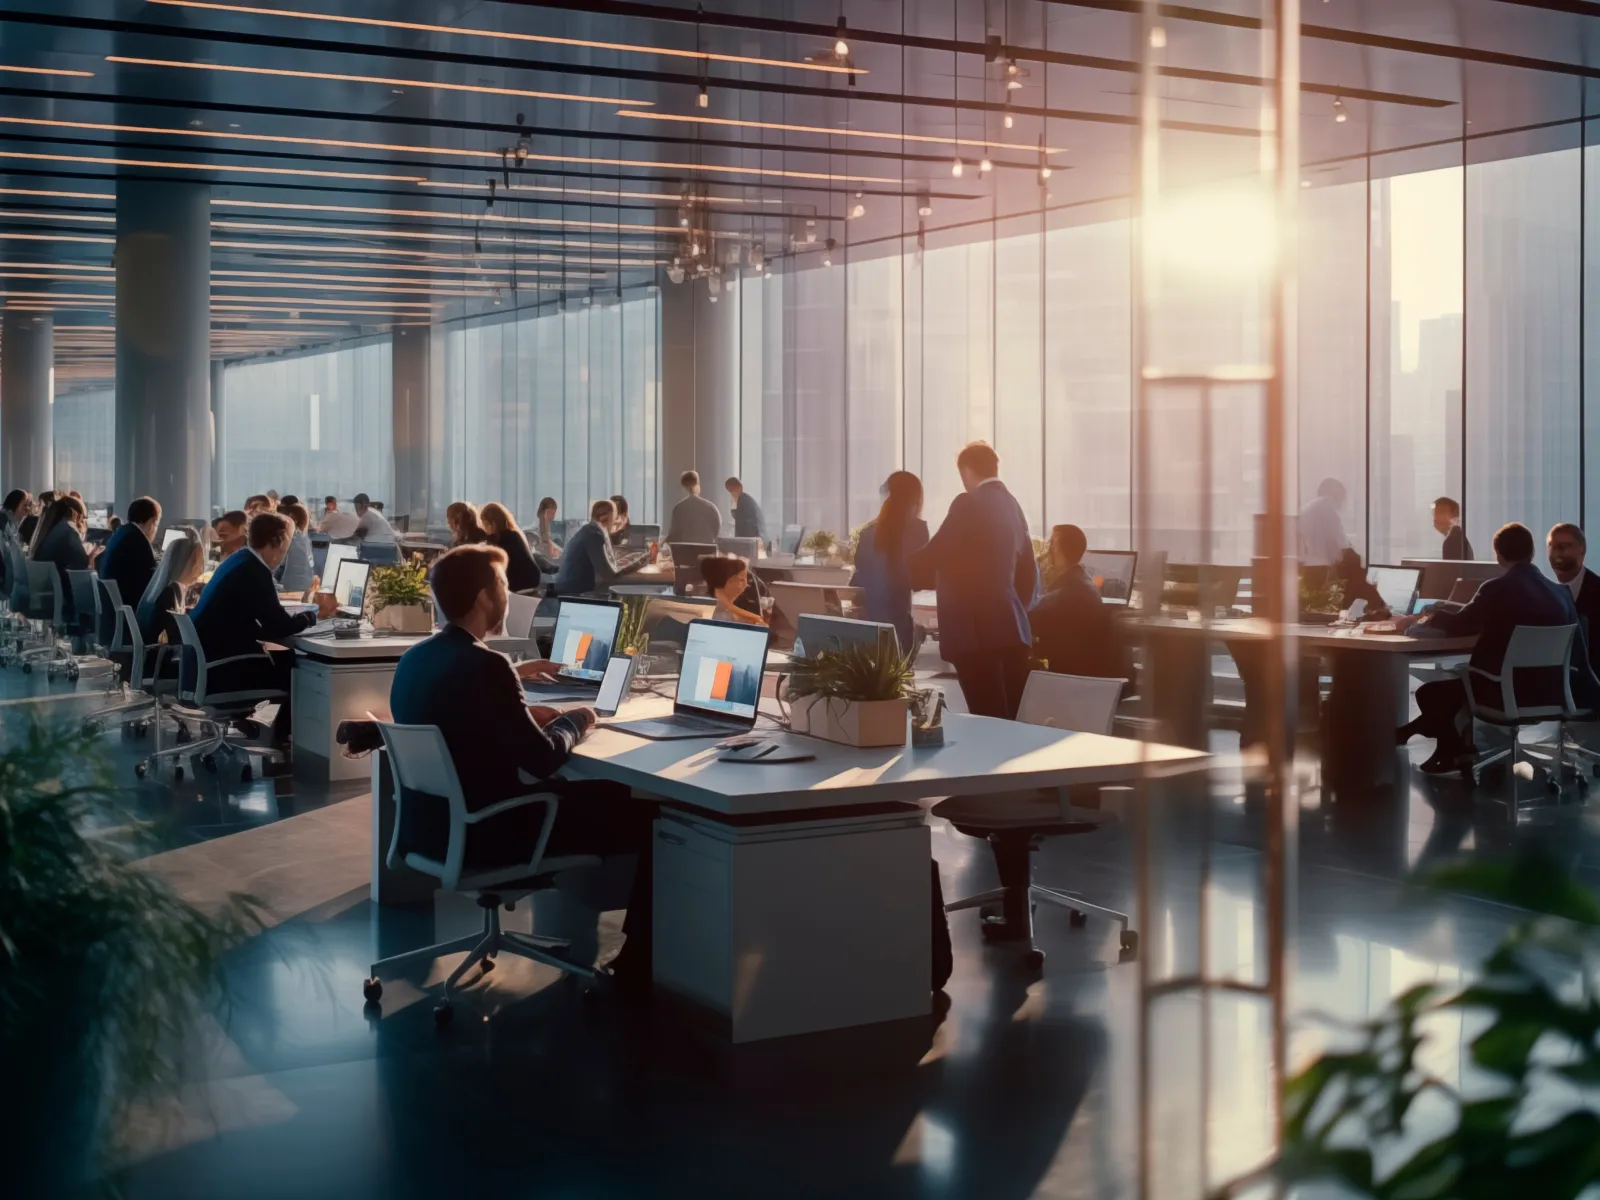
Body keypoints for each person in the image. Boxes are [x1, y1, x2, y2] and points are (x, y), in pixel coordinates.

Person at [388, 543, 655, 989]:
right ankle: (643, 955)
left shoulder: (416, 658)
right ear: (483, 598)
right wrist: (579, 717)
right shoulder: (488, 667)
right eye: (504, 586)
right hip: (492, 835)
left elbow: (463, 724)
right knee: (646, 809)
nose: (509, 595)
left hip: (431, 830)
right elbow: (545, 759)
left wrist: (524, 716)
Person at [1394, 522, 1599, 774]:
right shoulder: (1560, 593)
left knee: (1432, 693)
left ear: (1499, 556)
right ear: (1532, 553)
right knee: (1449, 691)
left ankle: (1453, 749)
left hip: (1509, 694)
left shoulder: (1495, 589)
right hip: (1556, 691)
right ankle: (1449, 749)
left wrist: (1418, 621)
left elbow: (1461, 625)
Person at [907, 442, 1038, 720]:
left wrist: (897, 566)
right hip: (1011, 631)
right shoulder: (1012, 505)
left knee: (987, 720)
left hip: (975, 635)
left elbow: (936, 552)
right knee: (1010, 722)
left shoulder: (968, 502)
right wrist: (1013, 609)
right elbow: (1029, 570)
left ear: (965, 471)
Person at [189, 512, 338, 742]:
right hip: (224, 670)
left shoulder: (238, 560)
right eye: (286, 544)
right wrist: (315, 615)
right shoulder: (254, 571)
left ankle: (263, 729)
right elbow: (280, 627)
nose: (284, 553)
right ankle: (283, 742)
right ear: (276, 541)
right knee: (296, 668)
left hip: (207, 664)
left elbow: (252, 619)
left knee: (283, 658)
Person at [1029, 524, 1132, 684]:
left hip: (1076, 682)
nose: (1045, 554)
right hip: (1094, 679)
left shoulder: (1066, 594)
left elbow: (1028, 617)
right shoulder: (1085, 583)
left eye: (1050, 545)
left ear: (1059, 553)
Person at [850, 471, 929, 653]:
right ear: (915, 498)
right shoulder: (917, 530)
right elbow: (921, 580)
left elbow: (860, 576)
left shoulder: (867, 533)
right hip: (899, 632)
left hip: (866, 628)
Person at [552, 499, 647, 597]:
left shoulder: (588, 530)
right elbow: (609, 576)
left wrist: (628, 561)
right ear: (607, 517)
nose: (615, 523)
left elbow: (604, 566)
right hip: (575, 594)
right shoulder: (594, 535)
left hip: (569, 590)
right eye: (614, 519)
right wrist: (640, 562)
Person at [31, 495, 97, 620]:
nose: (83, 522)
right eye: (83, 517)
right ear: (73, 513)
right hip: (64, 601)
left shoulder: (53, 529)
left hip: (48, 596)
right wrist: (90, 558)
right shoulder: (68, 530)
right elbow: (80, 569)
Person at [136, 531, 204, 650]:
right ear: (186, 563)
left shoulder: (163, 589)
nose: (201, 569)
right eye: (197, 562)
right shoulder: (172, 593)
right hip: (161, 661)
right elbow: (176, 638)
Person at [1549, 522, 1600, 676]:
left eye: (1564, 546)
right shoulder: (1548, 593)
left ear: (1582, 550)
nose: (1557, 553)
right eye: (1552, 546)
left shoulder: (1597, 590)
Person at [97, 495, 161, 612]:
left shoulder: (122, 532)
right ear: (152, 521)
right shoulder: (139, 541)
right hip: (129, 609)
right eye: (156, 524)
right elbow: (151, 586)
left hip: (113, 609)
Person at [479, 502, 541, 593]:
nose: (484, 528)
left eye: (485, 524)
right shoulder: (515, 535)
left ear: (492, 523)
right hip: (533, 579)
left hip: (517, 583)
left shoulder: (497, 539)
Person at [1298, 478, 1351, 568]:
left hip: (1306, 563)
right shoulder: (1327, 506)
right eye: (1342, 498)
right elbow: (1337, 540)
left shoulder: (1310, 507)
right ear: (1336, 495)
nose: (1341, 503)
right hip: (1320, 566)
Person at [700, 555, 766, 626]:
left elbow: (729, 606)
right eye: (741, 579)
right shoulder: (719, 613)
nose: (745, 584)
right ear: (728, 581)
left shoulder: (721, 606)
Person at [663, 470, 722, 546]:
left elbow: (673, 535)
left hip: (686, 551)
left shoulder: (679, 508)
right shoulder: (711, 507)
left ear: (683, 486)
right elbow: (716, 530)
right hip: (708, 551)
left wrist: (661, 544)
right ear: (698, 484)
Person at [275, 502, 316, 594]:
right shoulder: (304, 538)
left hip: (287, 590)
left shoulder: (288, 539)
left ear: (292, 518)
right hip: (305, 589)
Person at [725, 477, 766, 542]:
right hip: (754, 538)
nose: (731, 494)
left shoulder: (742, 500)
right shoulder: (747, 499)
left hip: (749, 540)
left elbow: (742, 524)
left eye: (731, 490)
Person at [1434, 496, 1473, 561]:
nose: (1435, 518)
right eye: (1434, 513)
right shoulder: (1459, 537)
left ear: (1454, 515)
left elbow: (1451, 570)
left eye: (1441, 512)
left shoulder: (1452, 541)